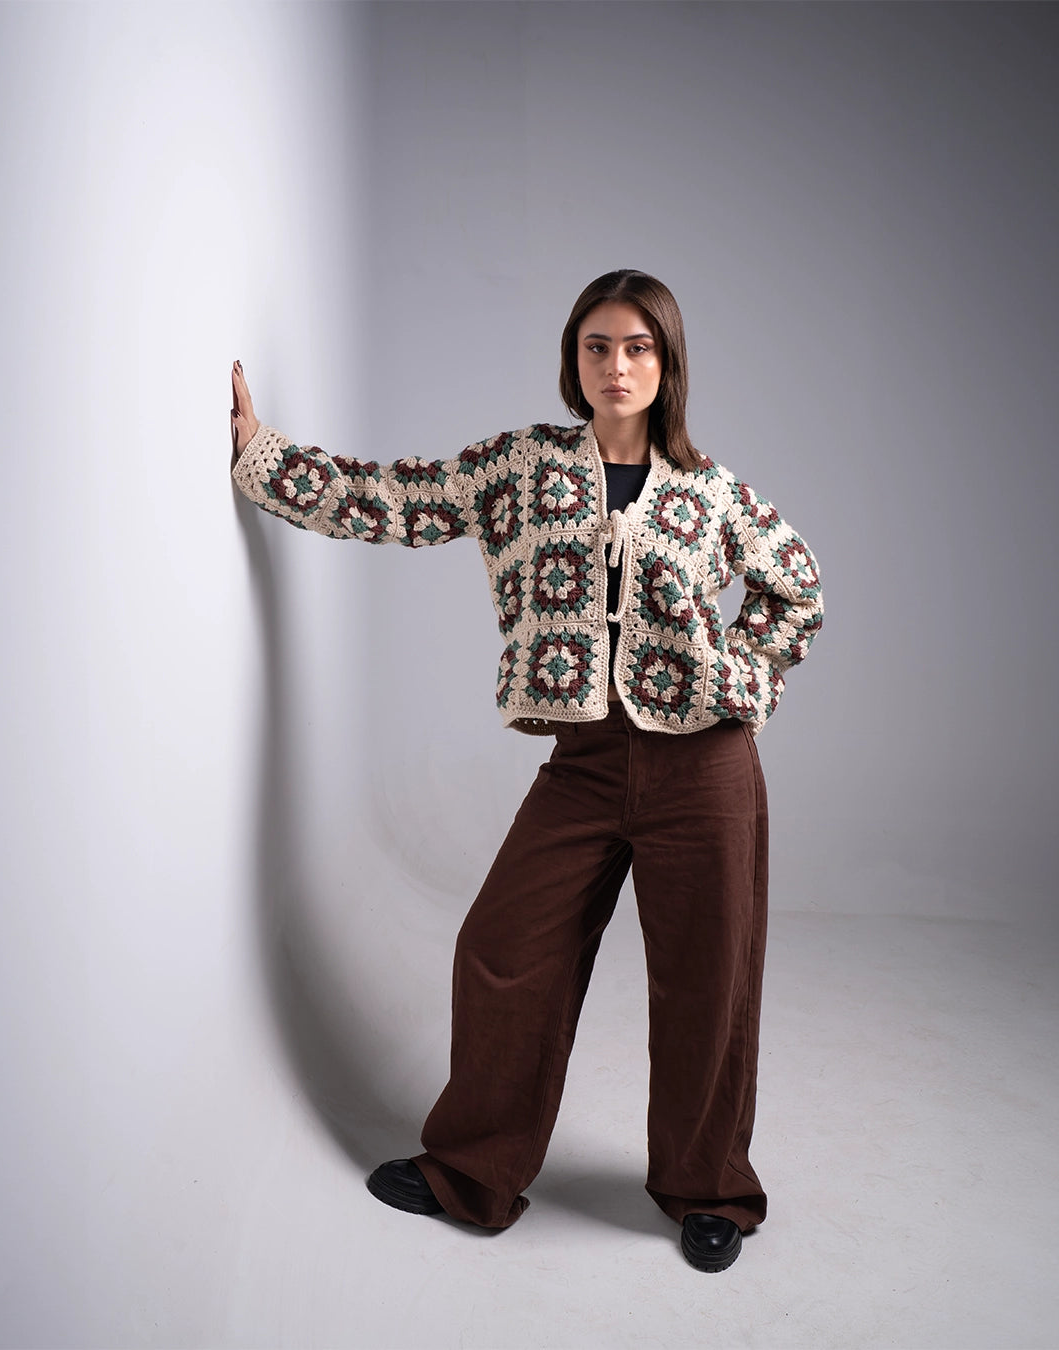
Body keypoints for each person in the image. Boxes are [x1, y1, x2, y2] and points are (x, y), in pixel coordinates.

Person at [229, 269, 823, 1272]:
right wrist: (264, 458)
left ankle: (707, 1186)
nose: (617, 365)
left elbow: (794, 589)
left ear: (668, 363)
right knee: (502, 947)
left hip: (705, 768)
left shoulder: (712, 492)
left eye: (639, 347)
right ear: (573, 359)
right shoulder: (521, 466)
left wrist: (739, 677)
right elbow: (397, 499)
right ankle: (474, 1169)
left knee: (708, 982)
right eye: (598, 345)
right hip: (586, 764)